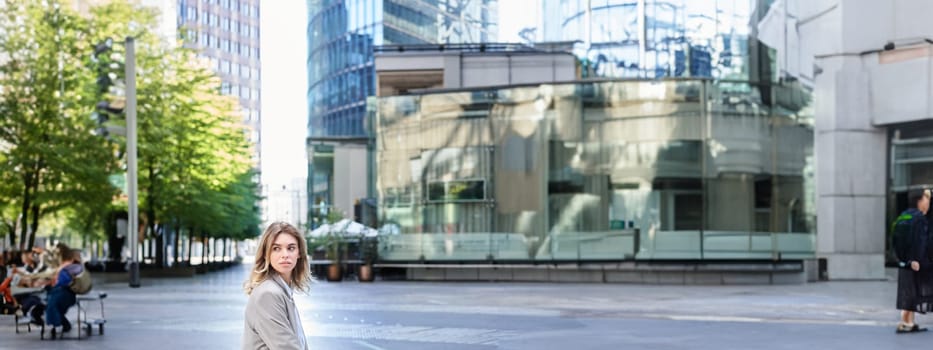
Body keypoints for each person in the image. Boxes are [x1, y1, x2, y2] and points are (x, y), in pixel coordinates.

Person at [243, 222, 310, 350]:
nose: (285, 255)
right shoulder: (268, 294)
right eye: (276, 248)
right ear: (266, 253)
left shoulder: (283, 290)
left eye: (291, 248)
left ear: (299, 253)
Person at [893, 188, 933, 333]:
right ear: (919, 201)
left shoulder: (904, 216)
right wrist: (916, 260)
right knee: (913, 291)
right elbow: (920, 242)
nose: (928, 203)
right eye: (926, 199)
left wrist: (905, 260)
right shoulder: (919, 219)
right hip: (916, 261)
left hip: (905, 261)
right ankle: (906, 322)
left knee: (908, 290)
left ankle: (908, 321)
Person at [45, 248, 84, 334]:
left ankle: (56, 324)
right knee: (53, 304)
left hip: (66, 293)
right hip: (61, 291)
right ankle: (61, 324)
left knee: (53, 303)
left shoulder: (74, 267)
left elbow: (65, 281)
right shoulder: (66, 266)